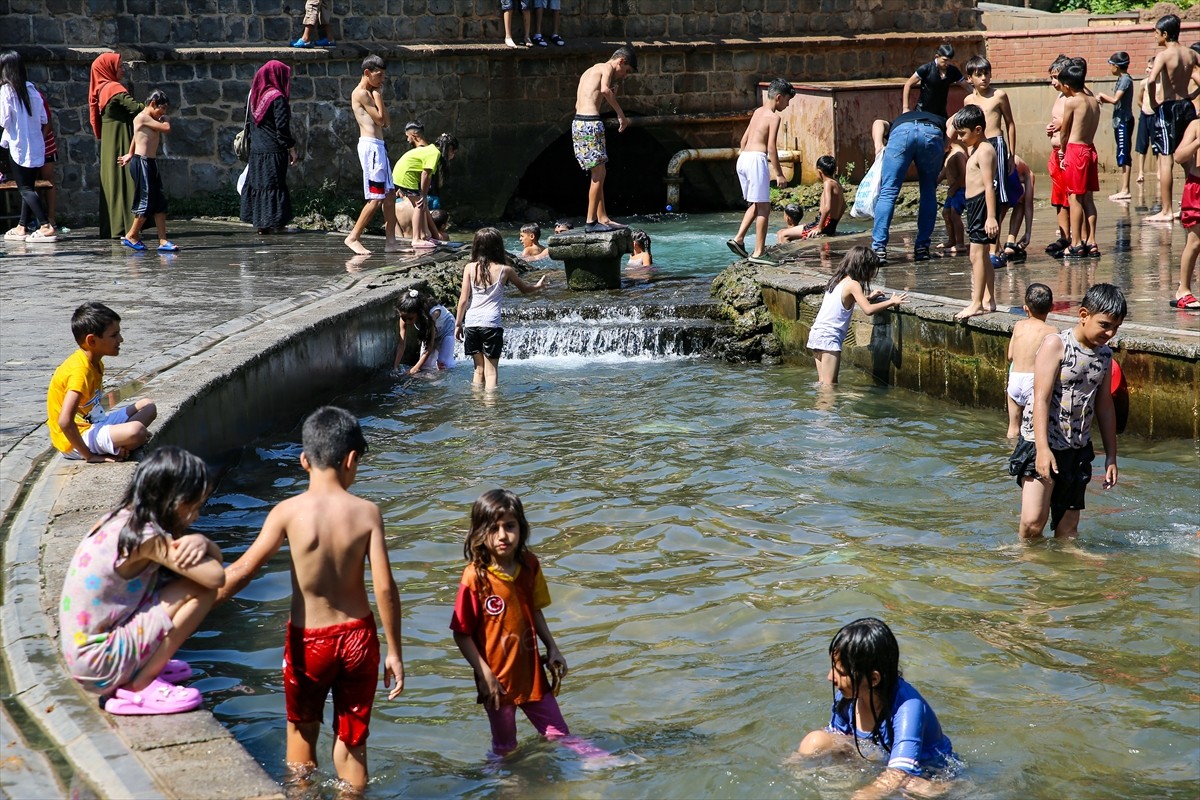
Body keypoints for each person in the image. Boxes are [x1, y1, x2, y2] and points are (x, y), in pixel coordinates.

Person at [216, 407, 405, 792]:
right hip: (358, 639)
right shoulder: (367, 513)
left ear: (304, 460)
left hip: (309, 642)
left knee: (301, 735)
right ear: (351, 459)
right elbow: (385, 587)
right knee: (352, 742)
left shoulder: (287, 512)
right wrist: (395, 652)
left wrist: (189, 604)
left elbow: (244, 570)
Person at [59, 446, 224, 715]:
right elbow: (216, 577)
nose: (196, 515)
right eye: (194, 506)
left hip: (85, 657)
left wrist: (200, 541)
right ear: (173, 500)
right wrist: (204, 541)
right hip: (99, 663)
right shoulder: (148, 539)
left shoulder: (121, 520)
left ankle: (142, 663)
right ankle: (140, 685)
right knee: (199, 590)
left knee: (171, 584)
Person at [450, 489, 606, 759]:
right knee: (505, 747)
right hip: (497, 682)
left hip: (533, 674)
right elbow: (461, 634)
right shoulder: (475, 577)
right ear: (479, 532)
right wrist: (484, 674)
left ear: (521, 528)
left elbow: (534, 610)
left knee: (558, 732)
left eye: (510, 526)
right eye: (494, 528)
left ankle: (596, 761)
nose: (502, 536)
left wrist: (553, 648)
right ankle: (501, 782)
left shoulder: (529, 565)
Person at [1009, 284, 1124, 540]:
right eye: (1105, 324)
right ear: (1084, 315)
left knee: (1068, 531)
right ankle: (1028, 570)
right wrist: (1041, 449)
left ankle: (1063, 576)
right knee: (1032, 523)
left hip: (1077, 447)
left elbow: (1105, 405)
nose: (1110, 332)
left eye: (1116, 327)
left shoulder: (1105, 355)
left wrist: (1111, 457)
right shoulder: (1056, 344)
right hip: (1041, 442)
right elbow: (1041, 398)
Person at [794, 618, 956, 799]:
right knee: (815, 740)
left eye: (840, 673)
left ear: (873, 679)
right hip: (878, 757)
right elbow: (837, 737)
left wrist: (862, 795)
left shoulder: (909, 709)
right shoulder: (848, 695)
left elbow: (899, 774)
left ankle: (955, 788)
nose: (830, 677)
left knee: (912, 789)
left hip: (927, 772)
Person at [47, 302, 157, 462]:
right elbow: (64, 421)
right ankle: (121, 442)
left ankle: (120, 445)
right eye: (114, 335)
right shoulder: (80, 372)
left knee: (148, 406)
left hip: (96, 423)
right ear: (91, 341)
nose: (121, 339)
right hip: (75, 440)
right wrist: (90, 456)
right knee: (137, 431)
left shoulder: (95, 362)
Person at [454, 227, 547, 392]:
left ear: (476, 246)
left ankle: (476, 409)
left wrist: (458, 324)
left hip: (472, 323)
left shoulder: (469, 268)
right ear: (498, 247)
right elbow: (525, 290)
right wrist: (538, 286)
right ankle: (491, 412)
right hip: (491, 324)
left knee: (478, 370)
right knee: (491, 373)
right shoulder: (505, 270)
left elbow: (463, 300)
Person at [806, 246, 906, 385]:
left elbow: (845, 300)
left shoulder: (837, 280)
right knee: (830, 386)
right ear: (863, 267)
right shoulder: (853, 284)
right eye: (872, 269)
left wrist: (869, 297)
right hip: (829, 337)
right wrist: (891, 302)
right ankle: (827, 407)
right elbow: (868, 310)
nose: (873, 273)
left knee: (823, 383)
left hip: (817, 334)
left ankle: (818, 407)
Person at [959, 55, 1018, 267]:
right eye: (979, 74)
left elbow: (1010, 123)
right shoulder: (969, 100)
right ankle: (991, 243)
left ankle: (994, 245)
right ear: (969, 78)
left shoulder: (999, 95)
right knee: (982, 193)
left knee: (998, 194)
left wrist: (1011, 154)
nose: (984, 78)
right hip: (976, 147)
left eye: (987, 73)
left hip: (996, 144)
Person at [727, 77, 793, 264]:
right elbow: (771, 147)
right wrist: (779, 174)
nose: (787, 105)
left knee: (756, 204)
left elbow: (743, 141)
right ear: (779, 98)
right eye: (787, 100)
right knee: (764, 207)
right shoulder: (774, 117)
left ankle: (739, 239)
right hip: (756, 159)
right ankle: (759, 253)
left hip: (743, 159)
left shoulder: (757, 112)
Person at [871, 105, 946, 263]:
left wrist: (878, 145)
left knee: (888, 192)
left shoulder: (898, 121)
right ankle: (922, 247)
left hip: (901, 134)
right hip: (931, 132)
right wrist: (946, 145)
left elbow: (878, 122)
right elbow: (953, 123)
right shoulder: (939, 119)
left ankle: (878, 249)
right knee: (928, 191)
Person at [573, 47, 636, 232]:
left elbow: (580, 103)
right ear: (621, 61)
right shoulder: (607, 67)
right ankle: (591, 222)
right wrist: (621, 115)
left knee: (599, 172)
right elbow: (605, 91)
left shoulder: (589, 71)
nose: (624, 76)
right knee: (598, 174)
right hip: (590, 124)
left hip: (578, 123)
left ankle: (603, 218)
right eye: (627, 71)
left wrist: (606, 94)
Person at [1146, 13, 1200, 223]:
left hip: (1168, 108)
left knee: (1165, 159)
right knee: (1188, 157)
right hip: (1186, 106)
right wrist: (1193, 96)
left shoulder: (1163, 56)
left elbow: (1151, 81)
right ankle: (1192, 202)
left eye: (1156, 33)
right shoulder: (1190, 54)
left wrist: (1153, 102)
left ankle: (1167, 210)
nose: (1155, 36)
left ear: (1165, 34)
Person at [345, 56, 398, 256]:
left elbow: (387, 122)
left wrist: (378, 96)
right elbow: (381, 120)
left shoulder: (370, 92)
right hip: (371, 148)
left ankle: (391, 241)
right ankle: (353, 237)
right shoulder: (361, 94)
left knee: (390, 195)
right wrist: (378, 97)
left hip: (379, 146)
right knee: (376, 198)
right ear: (367, 73)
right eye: (379, 75)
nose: (382, 79)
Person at [0, 50, 54, 243]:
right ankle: (22, 226)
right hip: (35, 143)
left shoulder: (6, 91)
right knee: (29, 186)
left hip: (18, 145)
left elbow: (3, 120)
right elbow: (43, 118)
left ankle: (45, 225)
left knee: (24, 189)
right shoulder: (32, 89)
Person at [89, 53, 144, 240]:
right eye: (120, 66)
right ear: (109, 68)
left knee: (113, 182)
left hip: (109, 143)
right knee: (125, 180)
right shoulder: (114, 88)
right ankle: (128, 226)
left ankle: (113, 227)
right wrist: (155, 108)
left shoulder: (101, 88)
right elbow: (137, 108)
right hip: (121, 139)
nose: (123, 70)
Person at [951, 105, 998, 320]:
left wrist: (990, 216)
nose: (959, 138)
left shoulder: (985, 150)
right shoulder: (976, 148)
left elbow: (990, 185)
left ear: (978, 130)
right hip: (974, 204)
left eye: (963, 133)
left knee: (976, 255)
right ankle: (989, 299)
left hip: (981, 205)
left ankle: (977, 303)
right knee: (983, 256)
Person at [240, 60, 297, 235]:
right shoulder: (277, 97)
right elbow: (282, 129)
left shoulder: (253, 95)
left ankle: (262, 225)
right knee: (274, 186)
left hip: (256, 152)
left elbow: (249, 123)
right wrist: (291, 147)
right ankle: (278, 225)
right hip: (273, 152)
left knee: (260, 186)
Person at [117, 90, 176, 252]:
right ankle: (132, 235)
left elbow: (136, 137)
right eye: (162, 109)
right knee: (146, 200)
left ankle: (163, 240)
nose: (163, 113)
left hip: (150, 163)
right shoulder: (143, 117)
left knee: (160, 202)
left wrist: (129, 153)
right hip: (142, 163)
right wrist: (167, 120)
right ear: (152, 104)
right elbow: (166, 128)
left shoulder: (150, 119)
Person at [1058, 62, 1101, 259]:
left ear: (1067, 86)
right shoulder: (1093, 101)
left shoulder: (1072, 102)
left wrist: (1062, 152)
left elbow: (1064, 131)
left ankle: (1075, 243)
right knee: (1088, 198)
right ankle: (1091, 241)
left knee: (1074, 198)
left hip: (1075, 151)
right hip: (1090, 149)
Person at [392, 123, 458, 249]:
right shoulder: (435, 154)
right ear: (449, 149)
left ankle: (424, 236)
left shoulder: (431, 149)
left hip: (401, 173)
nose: (453, 156)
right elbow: (425, 174)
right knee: (419, 205)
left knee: (422, 205)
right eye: (453, 152)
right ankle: (416, 239)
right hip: (405, 176)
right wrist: (423, 193)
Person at [1005, 283, 1058, 438]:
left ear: (1025, 308)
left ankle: (1012, 459)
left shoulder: (1018, 326)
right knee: (1034, 432)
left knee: (1013, 428)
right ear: (1051, 308)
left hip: (1014, 379)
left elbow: (1010, 356)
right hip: (1033, 382)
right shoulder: (1052, 331)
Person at [1045, 55, 1073, 256]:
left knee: (1072, 197)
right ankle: (1064, 237)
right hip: (1056, 152)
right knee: (1059, 198)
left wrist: (1062, 125)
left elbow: (1076, 121)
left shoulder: (1074, 97)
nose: (1053, 82)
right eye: (1051, 78)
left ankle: (1078, 238)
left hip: (1068, 151)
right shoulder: (1060, 96)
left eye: (1056, 77)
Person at [1171, 116, 1200, 309]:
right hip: (1198, 187)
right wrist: (1198, 142)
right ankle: (1184, 289)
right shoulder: (1196, 125)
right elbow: (1179, 156)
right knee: (1195, 241)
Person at [1097, 52, 1134, 201]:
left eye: (1111, 65)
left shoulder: (1125, 80)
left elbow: (1115, 100)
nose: (1110, 68)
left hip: (1124, 121)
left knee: (1124, 155)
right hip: (1119, 121)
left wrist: (1101, 95)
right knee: (1122, 153)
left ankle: (1125, 189)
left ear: (1117, 66)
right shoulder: (1121, 79)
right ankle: (1124, 188)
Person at [394, 287, 456, 373]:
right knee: (425, 366)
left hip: (446, 328)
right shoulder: (405, 316)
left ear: (419, 313)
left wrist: (414, 369)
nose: (407, 321)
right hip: (429, 331)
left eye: (410, 318)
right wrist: (395, 367)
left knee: (444, 363)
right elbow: (402, 344)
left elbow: (429, 347)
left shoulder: (432, 315)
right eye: (403, 318)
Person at [902, 43, 963, 120]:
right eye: (945, 60)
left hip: (940, 114)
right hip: (922, 111)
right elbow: (908, 84)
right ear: (937, 56)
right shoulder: (926, 69)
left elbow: (966, 85)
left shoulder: (952, 71)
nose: (947, 63)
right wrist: (905, 107)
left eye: (950, 61)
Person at [1000, 155, 1035, 262]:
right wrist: (1028, 232)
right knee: (1003, 204)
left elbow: (1028, 204)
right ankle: (996, 245)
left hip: (1007, 166)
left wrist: (1028, 232)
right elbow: (1029, 204)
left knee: (1018, 201)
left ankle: (1010, 240)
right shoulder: (1027, 174)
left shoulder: (1028, 174)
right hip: (1007, 166)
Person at [801, 155, 845, 239]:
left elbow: (827, 208)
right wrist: (834, 225)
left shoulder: (828, 183)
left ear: (819, 171)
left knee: (782, 233)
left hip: (822, 224)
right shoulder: (837, 183)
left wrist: (819, 228)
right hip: (830, 224)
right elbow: (843, 206)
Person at [938, 138, 966, 256]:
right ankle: (951, 240)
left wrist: (954, 188)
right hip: (952, 189)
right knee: (946, 213)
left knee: (955, 215)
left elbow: (964, 173)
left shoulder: (958, 154)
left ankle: (960, 243)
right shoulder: (949, 154)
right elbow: (944, 172)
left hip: (960, 189)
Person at [36, 87, 58, 229]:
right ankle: (38, 217)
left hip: (45, 144)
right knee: (31, 183)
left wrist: (40, 140)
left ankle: (51, 218)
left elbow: (48, 121)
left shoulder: (37, 96)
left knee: (47, 180)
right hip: (28, 145)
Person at [1134, 57, 1156, 185]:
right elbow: (1139, 99)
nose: (1147, 70)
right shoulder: (1144, 83)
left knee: (1157, 146)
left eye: (1150, 68)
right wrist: (1144, 108)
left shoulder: (1161, 84)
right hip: (1145, 115)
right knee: (1141, 145)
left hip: (1155, 116)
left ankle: (1160, 171)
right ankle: (1141, 172)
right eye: (1147, 67)